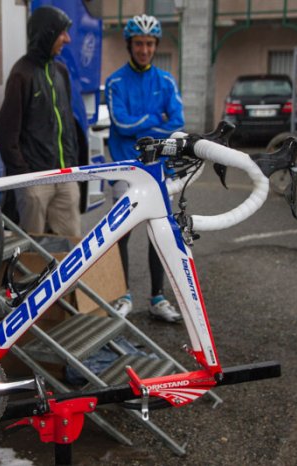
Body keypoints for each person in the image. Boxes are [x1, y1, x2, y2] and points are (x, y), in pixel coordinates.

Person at [105, 14, 184, 322]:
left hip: (159, 169)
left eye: (150, 44)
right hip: (125, 169)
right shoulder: (115, 82)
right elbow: (121, 124)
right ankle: (122, 295)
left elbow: (178, 121)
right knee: (121, 235)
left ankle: (158, 298)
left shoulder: (166, 81)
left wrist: (148, 129)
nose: (145, 50)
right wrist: (156, 122)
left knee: (159, 233)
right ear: (129, 45)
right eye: (139, 43)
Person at [0, 5, 82, 238]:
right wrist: (26, 179)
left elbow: (69, 126)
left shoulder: (61, 72)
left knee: (72, 246)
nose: (68, 38)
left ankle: (69, 278)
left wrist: (73, 167)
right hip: (35, 181)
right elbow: (5, 136)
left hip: (66, 177)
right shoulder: (21, 74)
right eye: (62, 32)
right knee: (32, 249)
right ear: (47, 33)